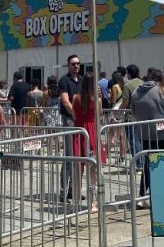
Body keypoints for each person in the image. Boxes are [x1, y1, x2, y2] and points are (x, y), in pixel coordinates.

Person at [131, 69, 164, 207]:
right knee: (160, 162)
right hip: (162, 132)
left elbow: (133, 110)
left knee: (148, 162)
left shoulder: (136, 92)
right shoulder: (162, 91)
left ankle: (142, 194)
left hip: (145, 131)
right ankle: (159, 193)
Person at [72, 73, 106, 211]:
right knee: (93, 170)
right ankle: (93, 203)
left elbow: (74, 115)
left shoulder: (76, 98)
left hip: (79, 132)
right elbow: (100, 115)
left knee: (78, 169)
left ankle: (76, 200)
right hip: (92, 133)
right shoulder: (96, 100)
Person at [58, 55, 83, 202]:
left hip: (80, 121)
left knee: (79, 156)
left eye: (78, 64)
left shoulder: (81, 81)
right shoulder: (64, 80)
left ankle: (74, 189)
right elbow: (65, 101)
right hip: (69, 120)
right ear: (68, 65)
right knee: (69, 155)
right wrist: (75, 115)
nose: (76, 66)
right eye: (73, 64)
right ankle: (63, 190)